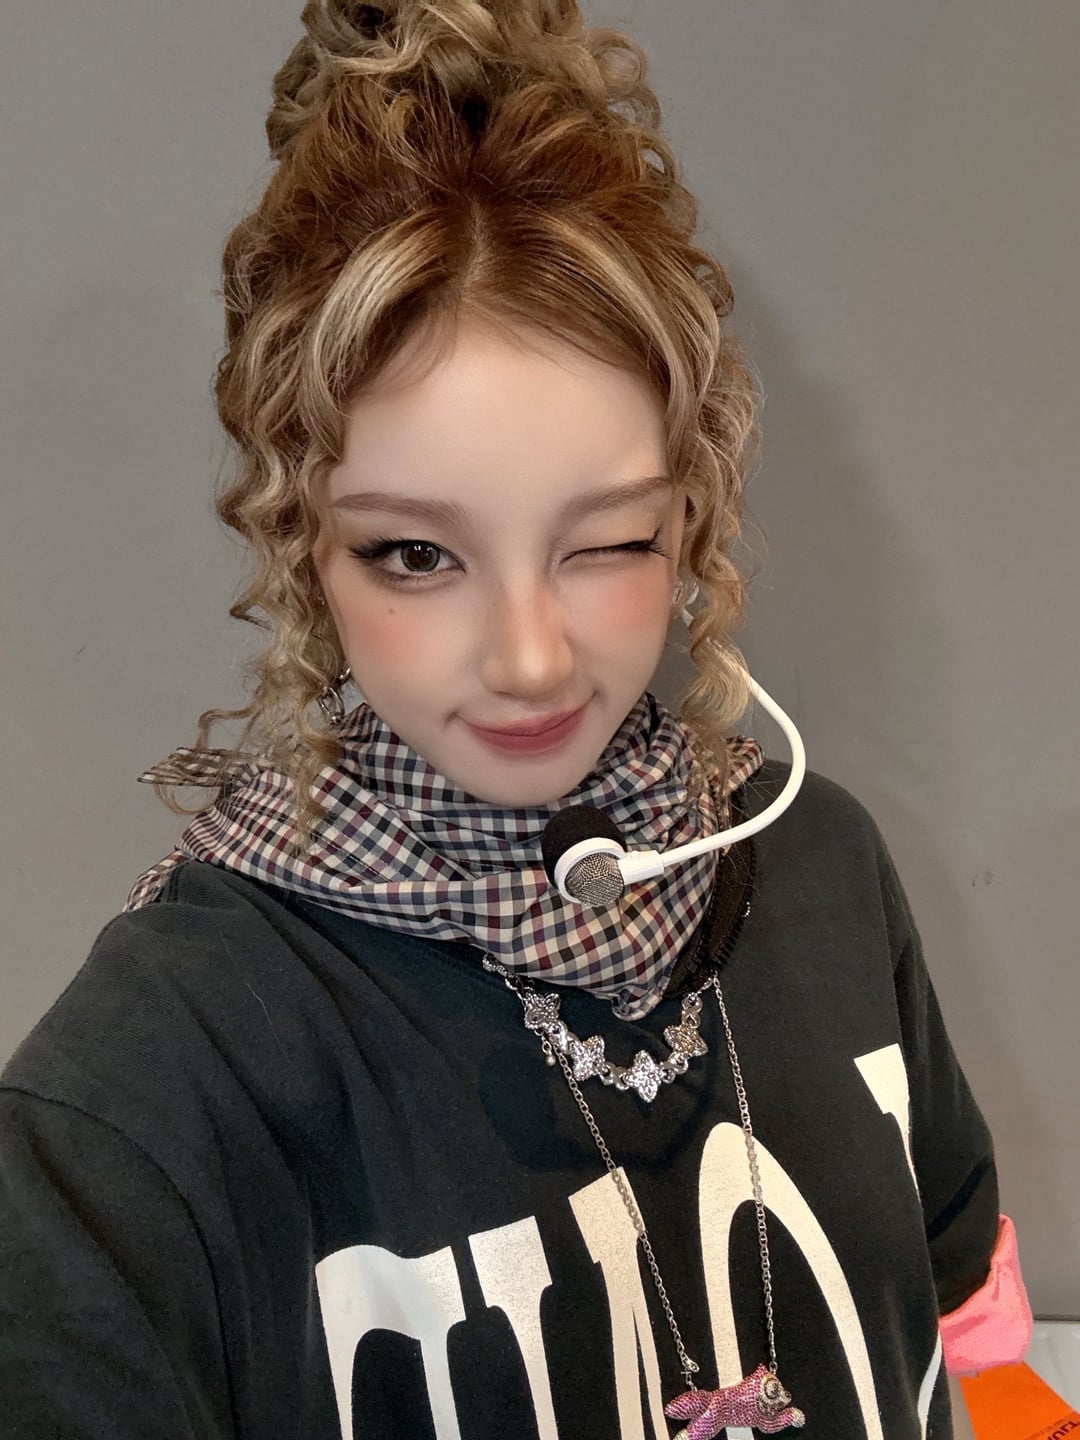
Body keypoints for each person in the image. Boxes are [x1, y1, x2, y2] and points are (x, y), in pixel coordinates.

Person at [0, 2, 1032, 1437]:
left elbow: (967, 1320)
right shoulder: (159, 1080)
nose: (534, 662)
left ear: (694, 514)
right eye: (416, 554)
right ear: (305, 547)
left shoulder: (820, 869)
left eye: (607, 542)